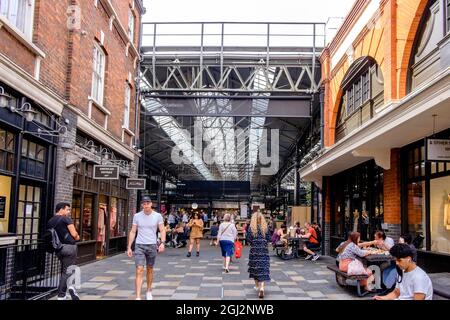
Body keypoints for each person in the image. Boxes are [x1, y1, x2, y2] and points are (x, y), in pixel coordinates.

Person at [127, 196, 165, 300]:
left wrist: (162, 243)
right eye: (144, 203)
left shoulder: (157, 216)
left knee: (150, 269)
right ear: (142, 205)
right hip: (139, 245)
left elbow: (162, 230)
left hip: (152, 245)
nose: (146, 205)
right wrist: (129, 247)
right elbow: (133, 231)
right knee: (139, 269)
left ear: (151, 204)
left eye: (148, 203)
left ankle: (148, 291)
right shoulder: (137, 216)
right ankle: (138, 296)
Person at [47, 202, 81, 300]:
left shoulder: (50, 221)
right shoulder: (66, 219)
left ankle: (71, 287)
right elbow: (74, 234)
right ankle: (62, 294)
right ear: (61, 209)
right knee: (68, 271)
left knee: (66, 269)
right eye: (67, 209)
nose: (69, 212)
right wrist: (77, 237)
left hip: (58, 248)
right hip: (69, 247)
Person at [247, 212, 271, 299]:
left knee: (254, 268)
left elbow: (248, 239)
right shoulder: (265, 228)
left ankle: (257, 286)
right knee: (263, 268)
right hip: (264, 251)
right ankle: (262, 287)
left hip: (254, 251)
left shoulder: (251, 228)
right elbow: (269, 239)